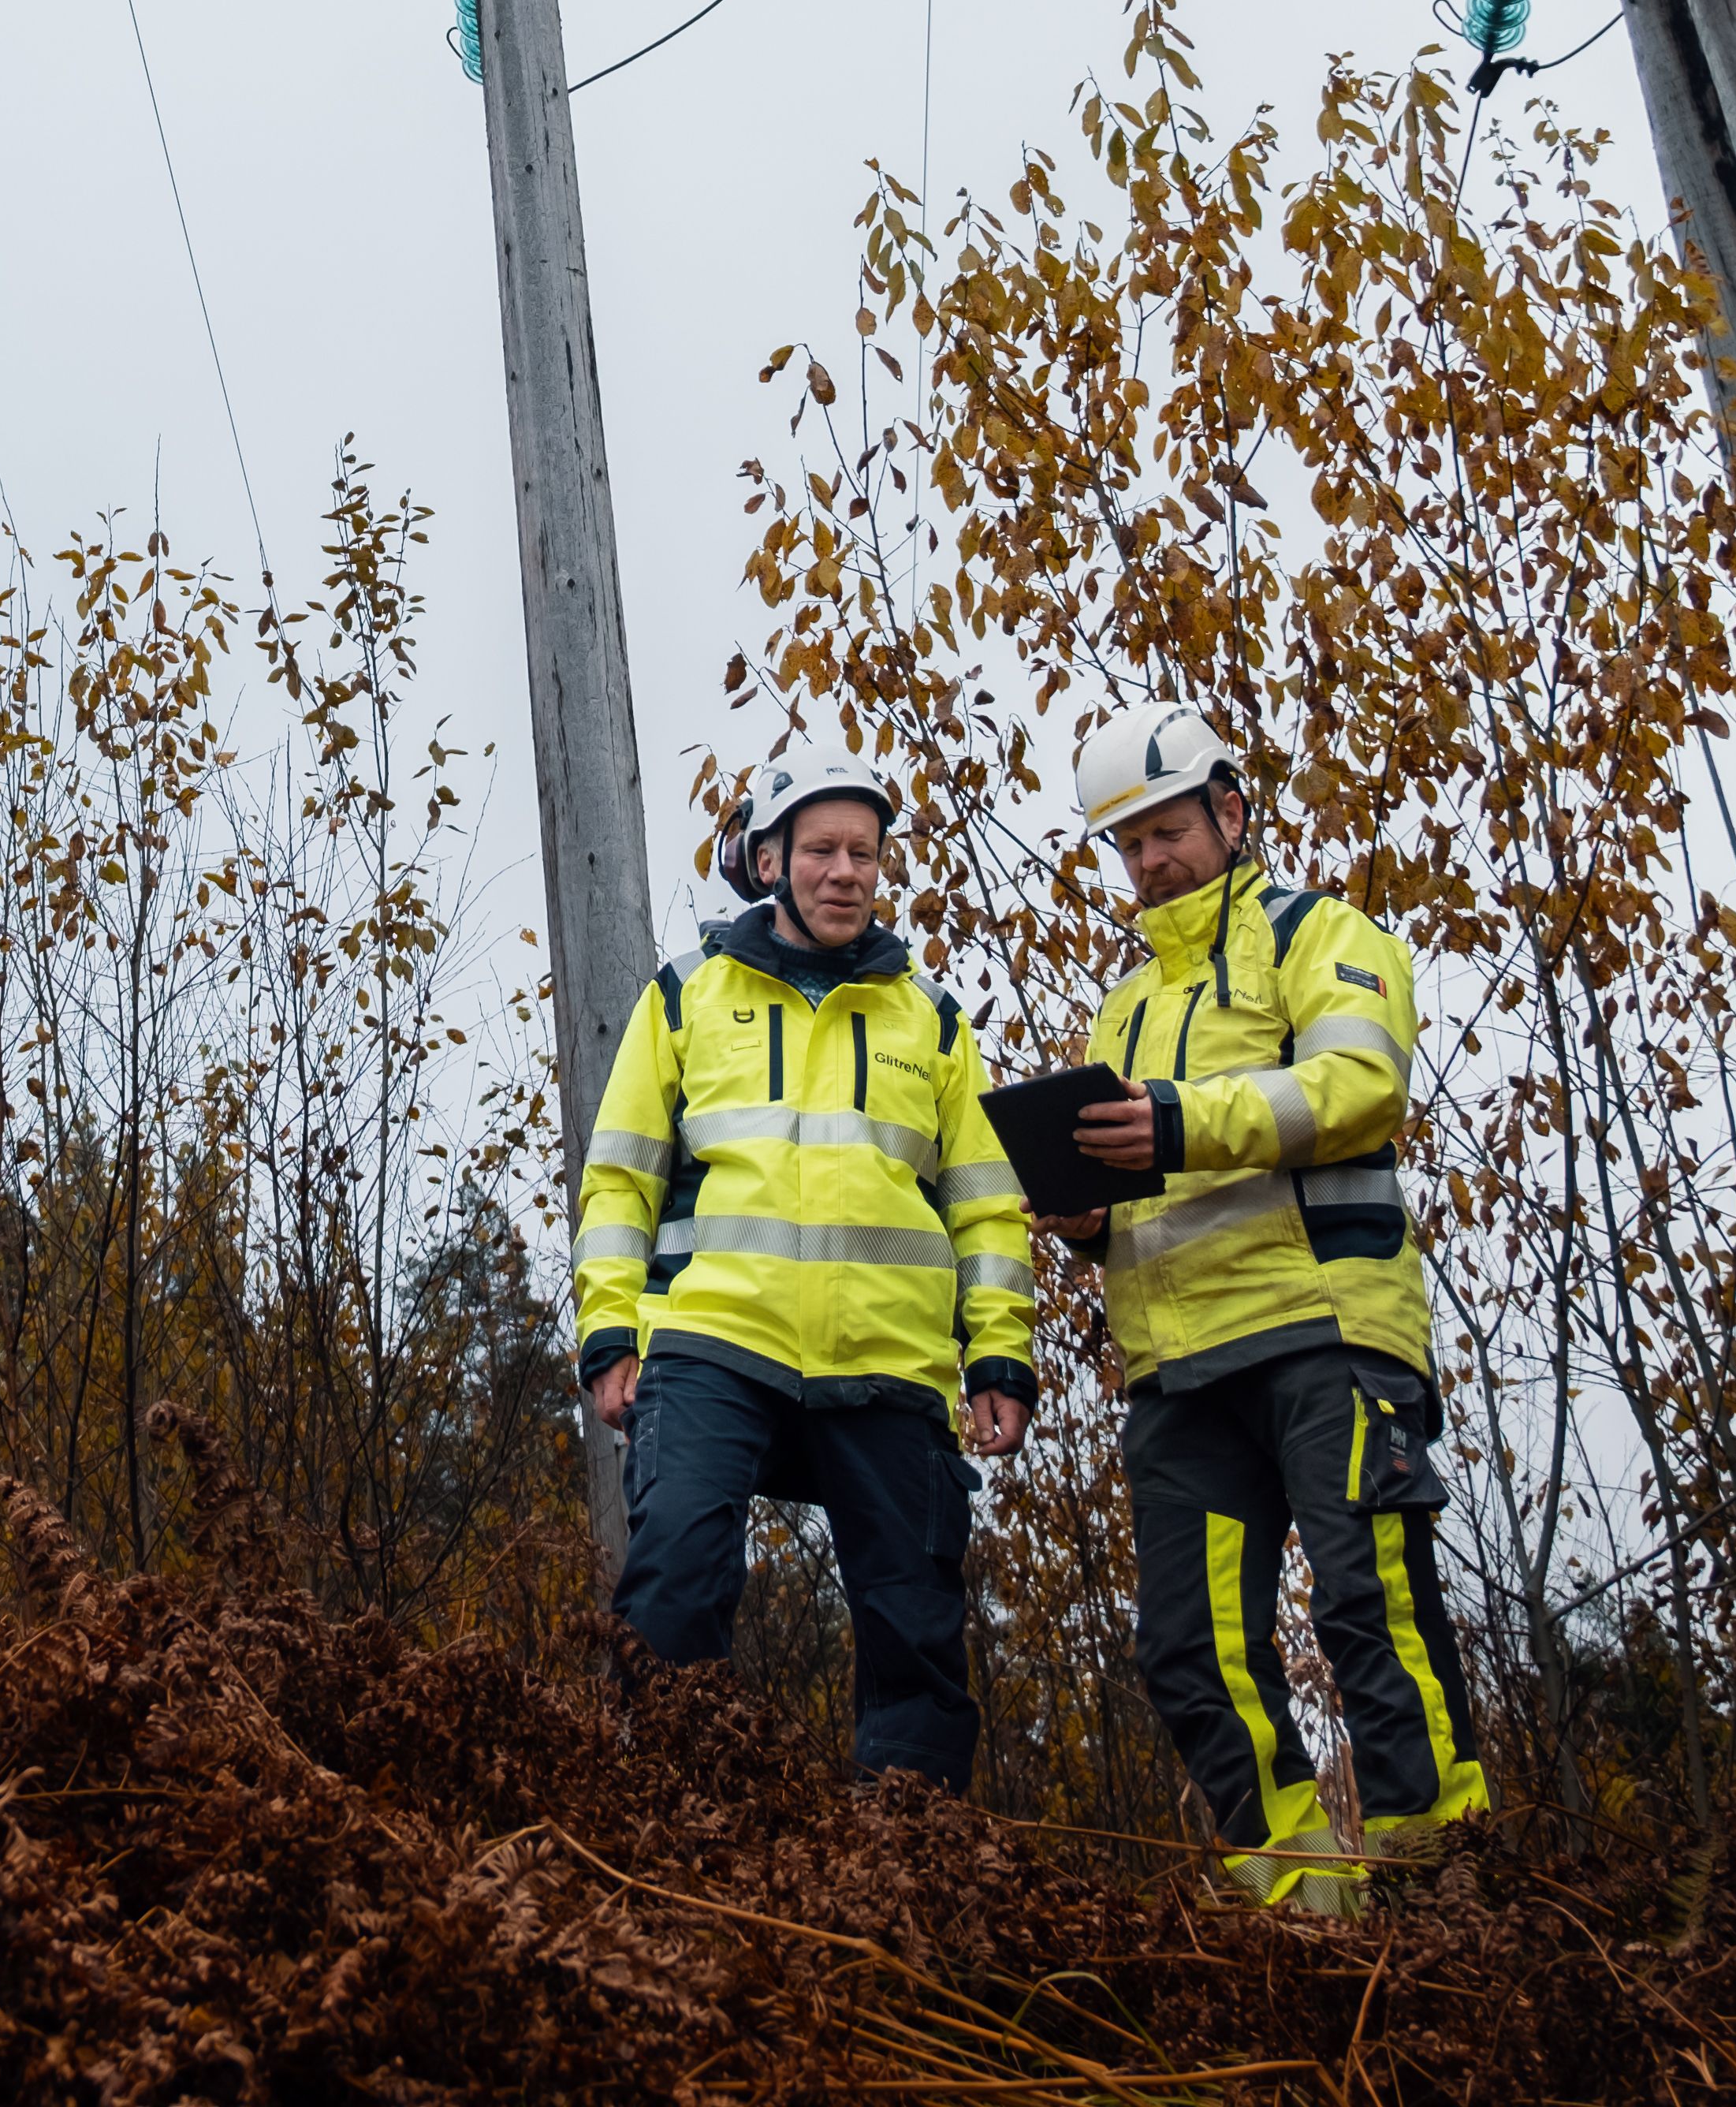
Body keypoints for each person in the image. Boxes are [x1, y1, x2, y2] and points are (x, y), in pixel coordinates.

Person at [1041, 703, 1485, 1906]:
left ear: (1231, 815)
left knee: (1366, 1605)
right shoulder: (1123, 1010)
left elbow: (1357, 1086)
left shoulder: (1322, 934)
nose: (1148, 862)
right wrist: (1087, 1218)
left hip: (1325, 1331)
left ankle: (1440, 1889)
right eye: (1126, 844)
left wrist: (1178, 1123)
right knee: (1189, 1653)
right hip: (1177, 1372)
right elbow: (1138, 1187)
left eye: (1167, 831)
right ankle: (1302, 1907)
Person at [575, 750, 1038, 1787]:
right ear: (771, 860)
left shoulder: (935, 1020)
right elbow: (619, 1183)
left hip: (892, 1360)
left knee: (914, 1623)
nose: (846, 872)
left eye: (864, 854)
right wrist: (611, 1334)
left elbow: (986, 1208)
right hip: (713, 1344)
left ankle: (908, 1862)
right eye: (822, 850)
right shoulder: (687, 997)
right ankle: (677, 1814)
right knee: (675, 1577)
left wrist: (1001, 1357)